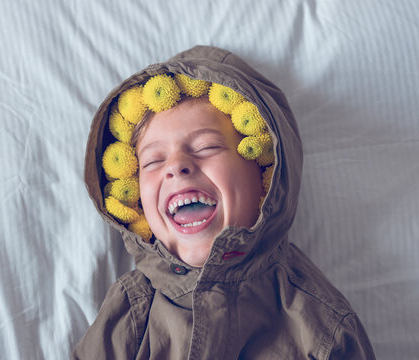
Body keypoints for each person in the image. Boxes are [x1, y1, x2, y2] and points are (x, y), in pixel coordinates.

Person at [74, 45, 375, 359]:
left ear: (264, 176)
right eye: (153, 161)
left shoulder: (319, 323)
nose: (176, 166)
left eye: (206, 147)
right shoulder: (131, 309)